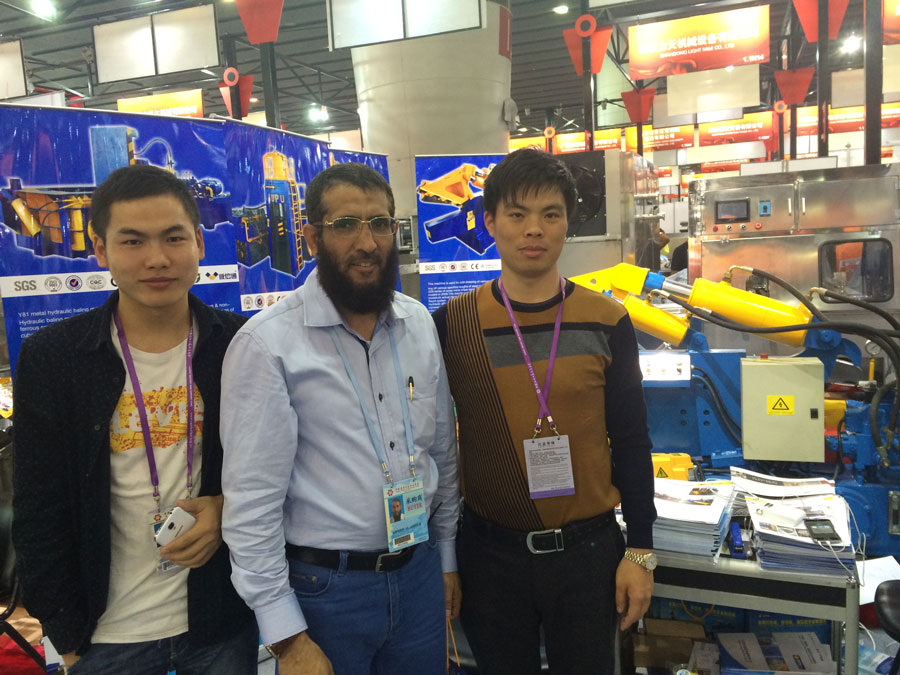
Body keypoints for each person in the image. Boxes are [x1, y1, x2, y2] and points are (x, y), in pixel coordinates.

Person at [12, 164, 257, 674]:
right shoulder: (55, 357)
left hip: (219, 622)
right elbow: (38, 509)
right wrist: (66, 635)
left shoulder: (240, 344)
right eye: (132, 241)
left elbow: (273, 470)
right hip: (106, 636)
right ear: (100, 250)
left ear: (199, 243)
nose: (157, 258)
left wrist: (225, 508)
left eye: (174, 238)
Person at [220, 162, 460, 675]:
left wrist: (446, 557)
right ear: (312, 238)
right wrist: (286, 636)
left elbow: (440, 450)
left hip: (419, 575)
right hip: (326, 591)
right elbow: (252, 502)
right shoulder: (268, 345)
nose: (367, 243)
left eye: (380, 224)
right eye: (345, 225)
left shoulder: (418, 323)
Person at [433, 148, 657, 674]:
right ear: (490, 222)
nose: (533, 229)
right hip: (490, 557)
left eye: (550, 214)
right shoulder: (453, 325)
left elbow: (631, 438)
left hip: (588, 555)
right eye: (517, 214)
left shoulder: (607, 320)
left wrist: (640, 551)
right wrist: (445, 559)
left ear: (567, 224)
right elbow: (437, 445)